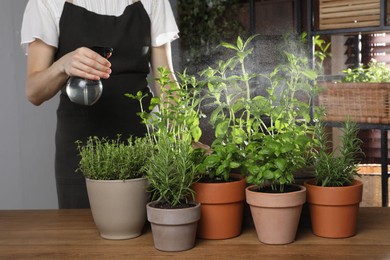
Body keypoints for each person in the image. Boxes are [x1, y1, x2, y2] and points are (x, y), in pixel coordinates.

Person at [20, 0, 179, 208]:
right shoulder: (46, 3)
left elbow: (166, 83)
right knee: (82, 235)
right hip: (81, 152)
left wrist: (183, 137)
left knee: (149, 234)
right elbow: (34, 92)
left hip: (145, 145)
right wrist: (62, 65)